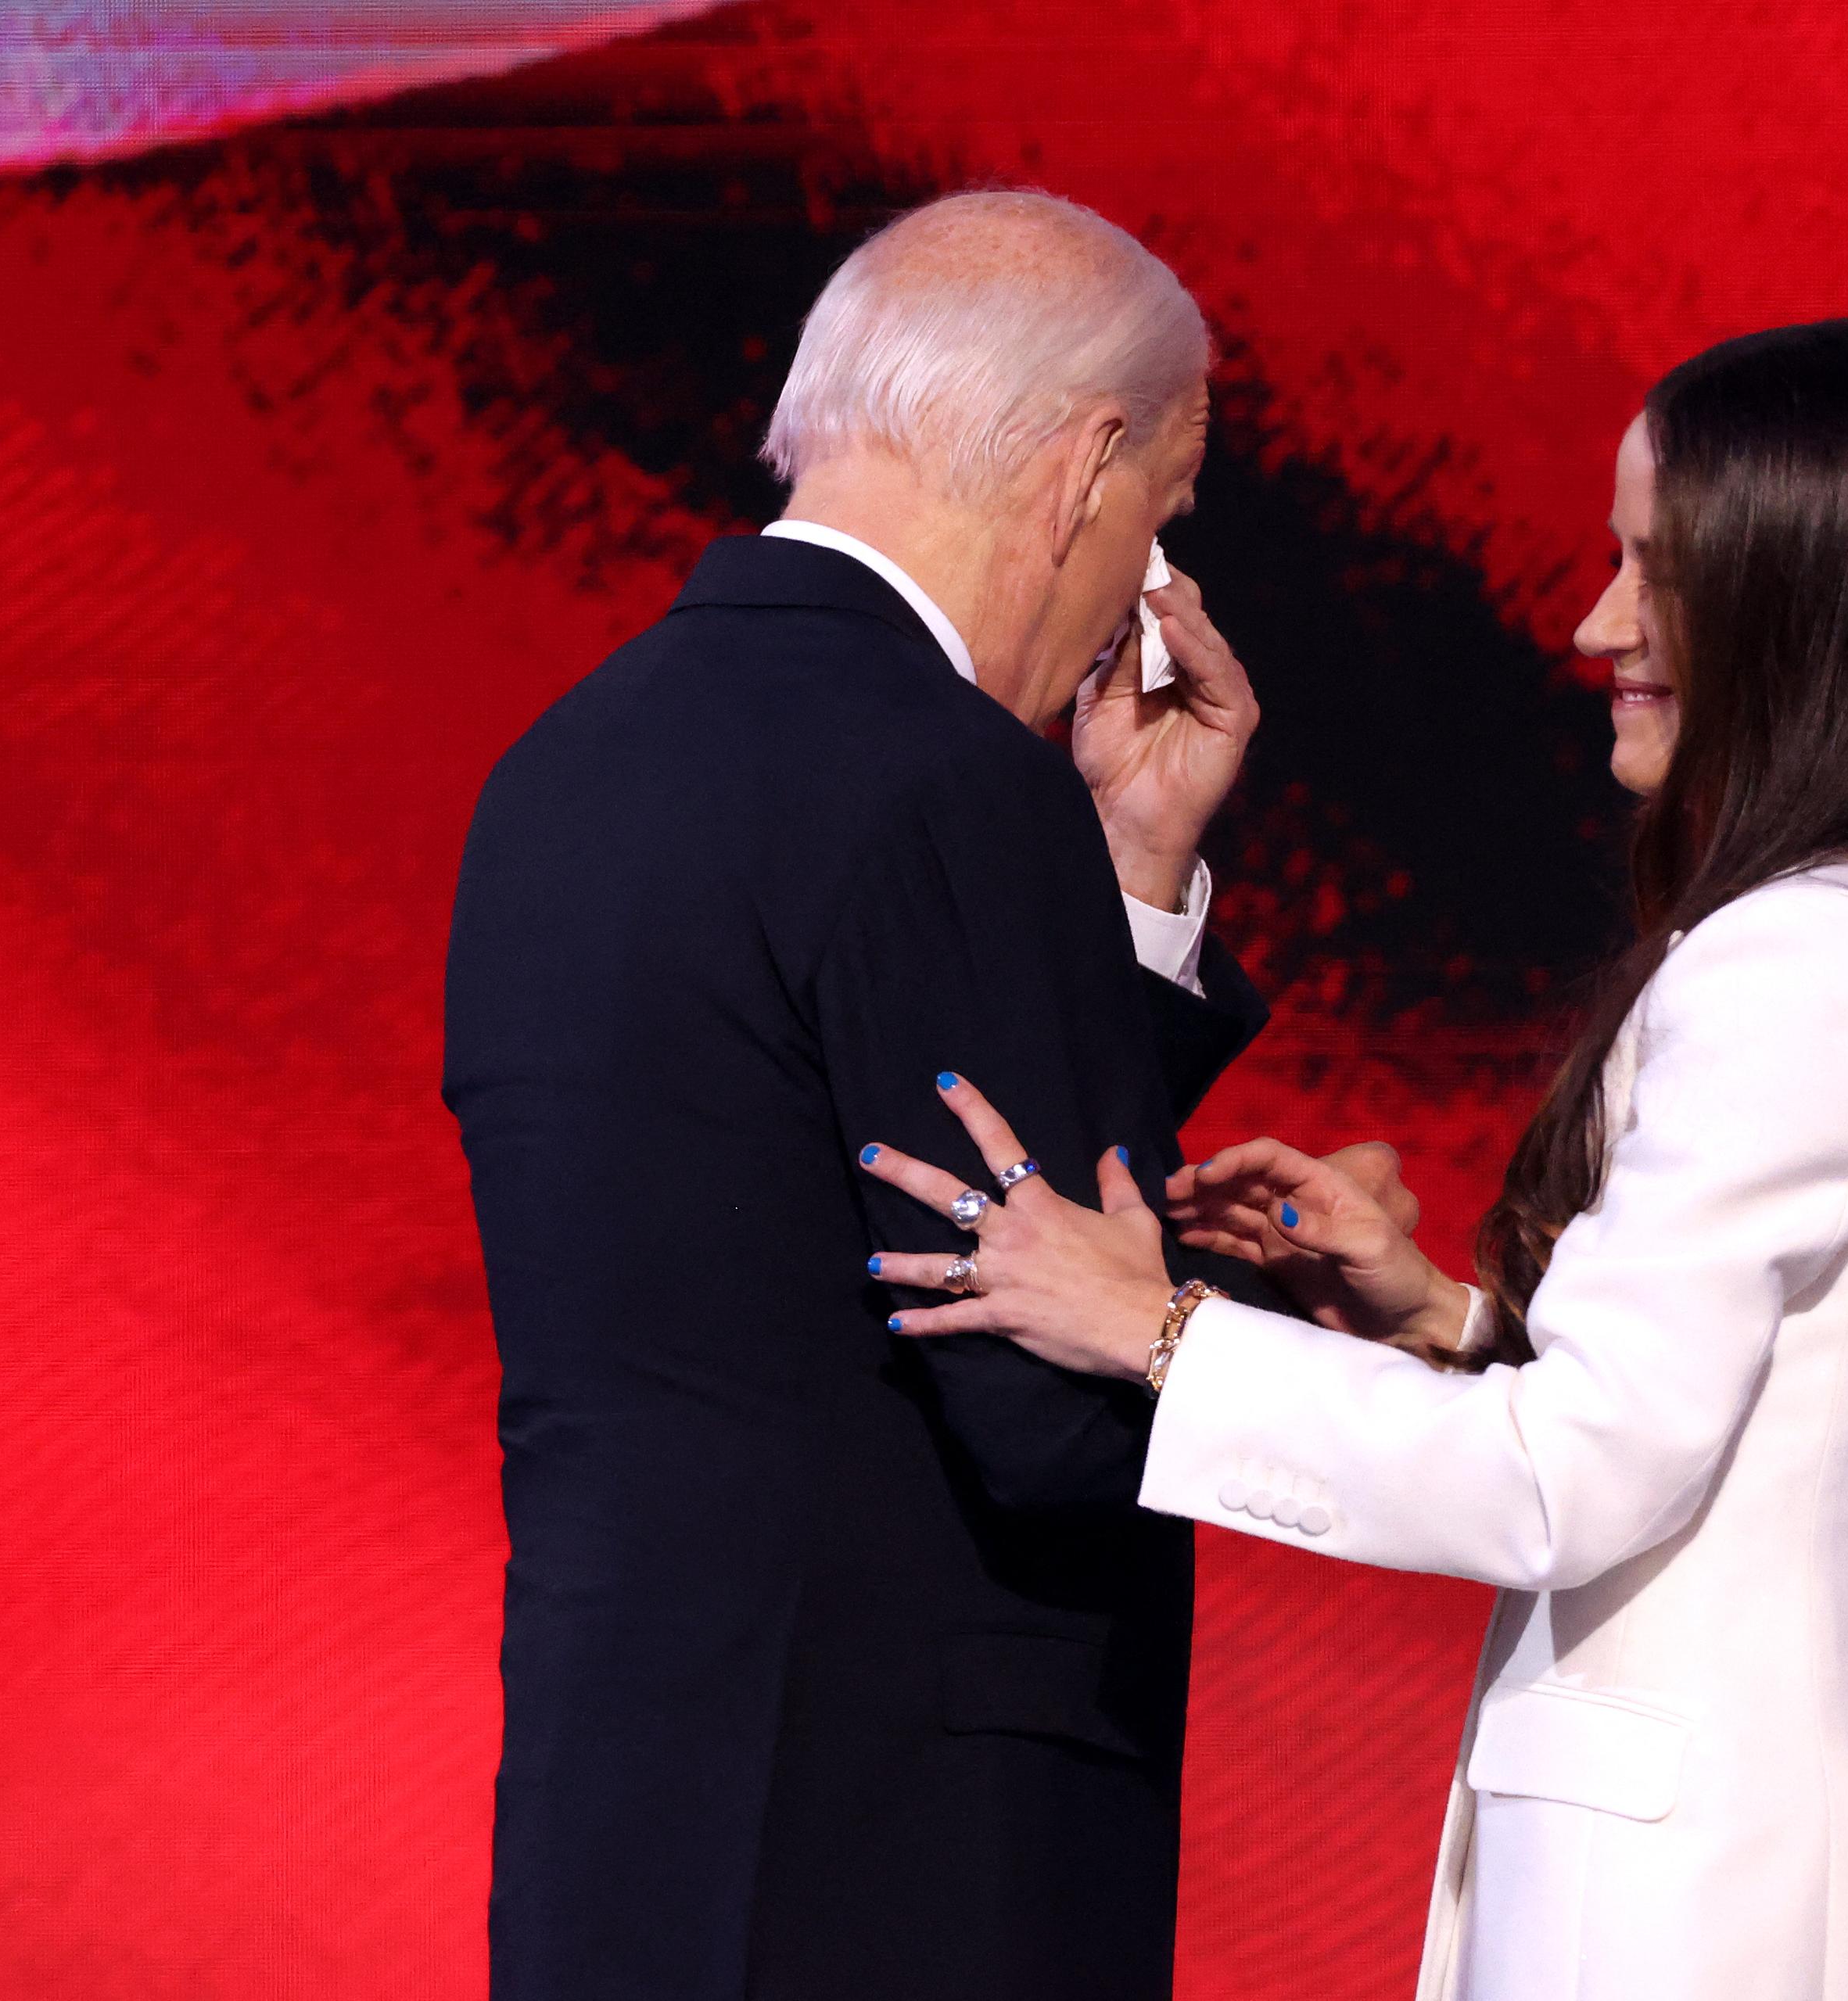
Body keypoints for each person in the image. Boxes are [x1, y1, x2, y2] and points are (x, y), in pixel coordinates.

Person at [852, 321, 1848, 1999]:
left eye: (1657, 573)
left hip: (1712, 1911)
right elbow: (1775, 1427)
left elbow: (1570, 1479)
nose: (1593, 623)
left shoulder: (1799, 955)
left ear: (1811, 599)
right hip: (1808, 1860)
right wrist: (1450, 1325)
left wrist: (1156, 1331)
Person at [442, 190, 1276, 2000]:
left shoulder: (561, 762)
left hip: (621, 1831)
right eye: (1165, 509)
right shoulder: (947, 784)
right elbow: (1058, 1400)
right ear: (1086, 467)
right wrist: (1340, 1326)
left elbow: (791, 1237)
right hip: (906, 1863)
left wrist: (1126, 886)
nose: (1155, 573)